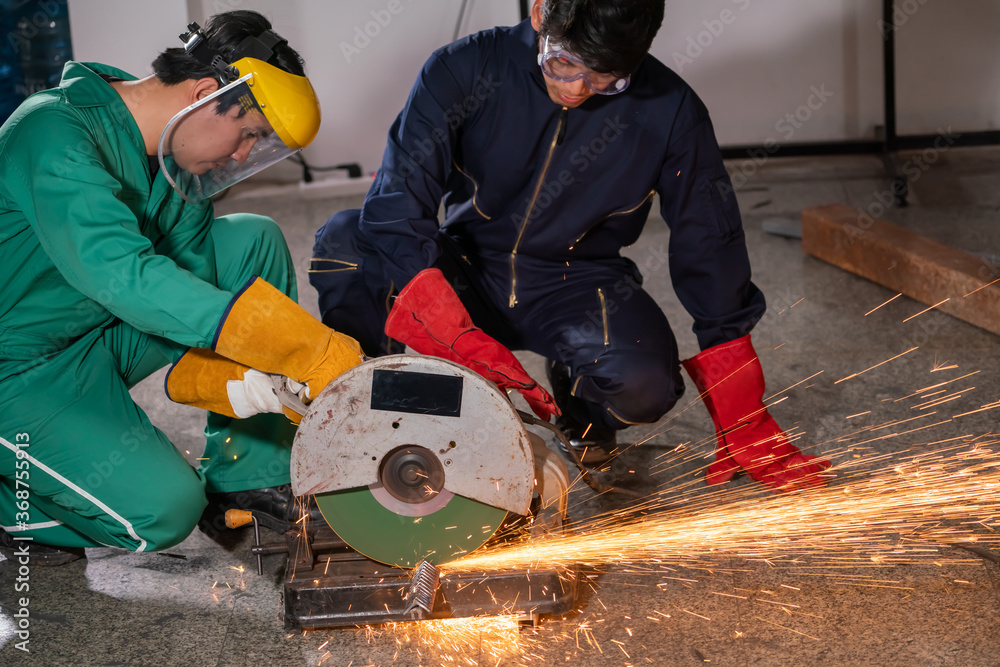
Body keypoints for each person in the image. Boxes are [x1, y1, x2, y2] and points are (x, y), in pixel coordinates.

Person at [310, 0, 830, 492]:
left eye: (605, 78)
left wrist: (738, 392)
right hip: (462, 266)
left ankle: (577, 413)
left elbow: (709, 240)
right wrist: (442, 319)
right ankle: (371, 407)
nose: (578, 89)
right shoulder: (462, 69)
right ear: (539, 11)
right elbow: (396, 202)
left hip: (578, 282)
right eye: (563, 64)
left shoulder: (672, 111)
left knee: (645, 385)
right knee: (345, 243)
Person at [0, 10, 364, 566]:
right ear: (202, 93)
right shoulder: (51, 131)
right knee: (164, 512)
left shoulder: (175, 166)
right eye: (248, 134)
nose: (244, 156)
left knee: (252, 241)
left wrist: (243, 379)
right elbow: (122, 274)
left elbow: (190, 280)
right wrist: (301, 349)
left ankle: (247, 471)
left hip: (98, 330)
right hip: (19, 368)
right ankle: (13, 506)